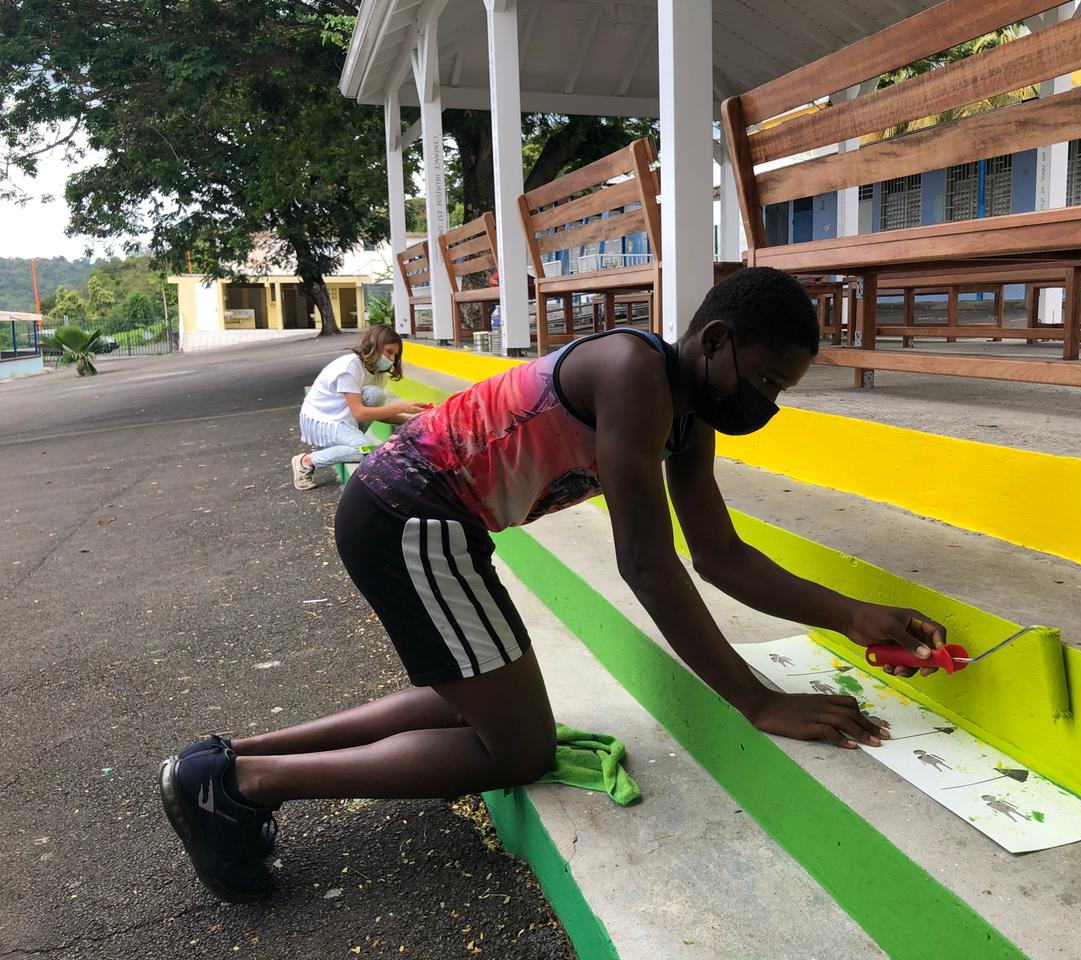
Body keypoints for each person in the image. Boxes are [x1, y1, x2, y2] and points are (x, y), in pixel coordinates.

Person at [160, 268, 950, 902]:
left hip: (432, 522)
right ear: (716, 341)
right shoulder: (633, 373)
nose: (767, 403)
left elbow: (718, 554)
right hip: (409, 516)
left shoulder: (688, 415)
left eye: (782, 390)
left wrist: (853, 615)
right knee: (518, 748)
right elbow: (647, 564)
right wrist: (758, 701)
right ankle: (245, 785)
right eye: (767, 379)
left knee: (472, 699)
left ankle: (224, 761)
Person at [290, 326, 427, 490]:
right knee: (364, 450)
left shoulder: (378, 373)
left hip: (343, 420)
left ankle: (350, 441)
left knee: (374, 395)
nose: (391, 359)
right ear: (374, 346)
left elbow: (376, 413)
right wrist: (401, 406)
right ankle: (306, 461)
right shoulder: (350, 367)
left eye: (395, 355)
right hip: (321, 421)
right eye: (389, 352)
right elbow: (360, 413)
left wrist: (411, 420)